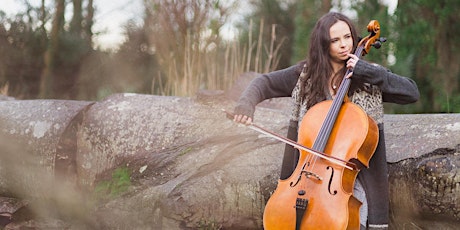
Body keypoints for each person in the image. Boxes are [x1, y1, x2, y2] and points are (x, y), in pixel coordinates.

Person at [232, 12, 419, 230]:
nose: (343, 45)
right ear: (323, 45)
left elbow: (411, 92)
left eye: (347, 37)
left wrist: (366, 71)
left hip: (351, 185)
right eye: (335, 40)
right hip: (303, 181)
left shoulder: (368, 78)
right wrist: (246, 104)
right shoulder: (305, 76)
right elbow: (263, 83)